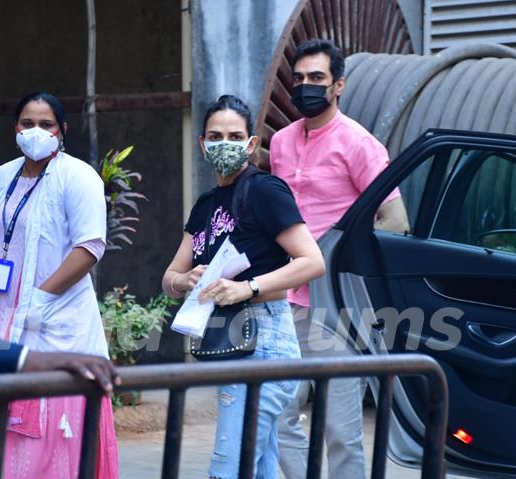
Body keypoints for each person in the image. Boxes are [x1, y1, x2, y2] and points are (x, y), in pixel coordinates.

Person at [163, 95, 325, 479]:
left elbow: (312, 261)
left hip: (265, 342)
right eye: (216, 136)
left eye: (235, 136)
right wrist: (183, 281)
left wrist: (246, 287)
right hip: (231, 344)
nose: (225, 144)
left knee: (229, 466)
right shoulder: (205, 204)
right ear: (202, 144)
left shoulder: (266, 191)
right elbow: (170, 275)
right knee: (260, 464)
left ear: (251, 144)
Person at [270, 39, 409, 479]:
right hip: (284, 298)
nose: (306, 87)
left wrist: (345, 264)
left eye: (317, 79)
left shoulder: (359, 144)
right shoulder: (279, 143)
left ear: (339, 85)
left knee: (339, 427)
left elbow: (395, 220)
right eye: (300, 79)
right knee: (278, 410)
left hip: (337, 308)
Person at [0, 92, 117, 479]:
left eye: (46, 124)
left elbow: (90, 247)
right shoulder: (4, 174)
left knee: (53, 435)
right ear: (15, 129)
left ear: (62, 131)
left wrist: (39, 298)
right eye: (27, 123)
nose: (35, 132)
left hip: (56, 321)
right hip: (1, 315)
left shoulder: (78, 176)